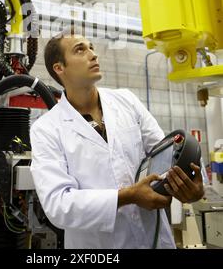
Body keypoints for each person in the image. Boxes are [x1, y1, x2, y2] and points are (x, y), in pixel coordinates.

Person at [30, 33, 204, 249]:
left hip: (155, 240)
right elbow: (59, 205)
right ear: (59, 68)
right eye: (80, 50)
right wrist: (129, 196)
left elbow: (167, 150)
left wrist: (194, 180)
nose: (93, 55)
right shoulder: (46, 129)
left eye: (91, 47)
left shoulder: (127, 101)